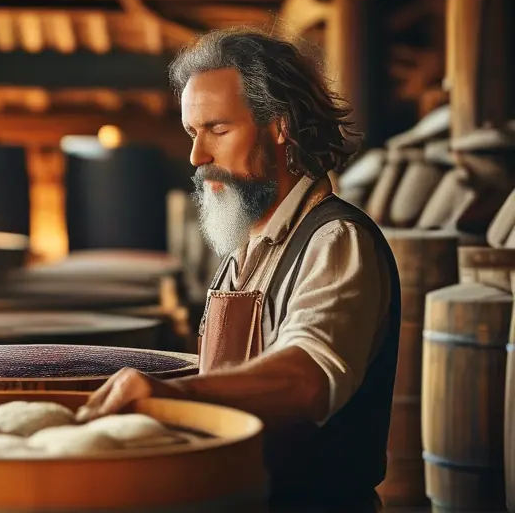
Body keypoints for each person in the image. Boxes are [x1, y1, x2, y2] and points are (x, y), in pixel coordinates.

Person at [77, 28, 401, 511]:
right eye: (192, 132)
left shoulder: (335, 241)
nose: (196, 157)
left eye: (218, 130)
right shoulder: (242, 248)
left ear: (281, 125)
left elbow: (308, 376)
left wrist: (171, 393)